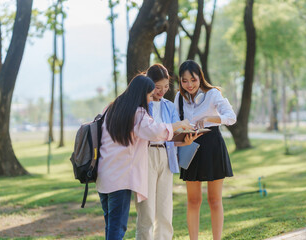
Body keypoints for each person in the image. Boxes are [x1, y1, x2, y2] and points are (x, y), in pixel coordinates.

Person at [96, 74, 193, 240]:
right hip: (120, 178)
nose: (150, 100)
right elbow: (155, 131)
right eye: (149, 95)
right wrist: (180, 125)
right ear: (141, 94)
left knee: (111, 225)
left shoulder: (111, 108)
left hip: (104, 175)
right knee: (117, 228)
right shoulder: (137, 113)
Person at [135, 64, 200, 240]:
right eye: (157, 87)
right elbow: (151, 131)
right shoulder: (140, 107)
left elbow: (172, 135)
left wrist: (184, 140)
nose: (162, 91)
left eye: (166, 87)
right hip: (146, 156)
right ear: (148, 84)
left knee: (164, 209)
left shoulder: (169, 106)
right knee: (147, 210)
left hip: (166, 155)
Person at [174, 60, 237, 240]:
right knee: (193, 200)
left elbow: (231, 117)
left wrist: (212, 117)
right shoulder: (179, 97)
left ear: (200, 78)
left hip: (212, 146)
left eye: (193, 80)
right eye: (184, 81)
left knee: (214, 200)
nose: (189, 85)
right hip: (189, 145)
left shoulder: (212, 94)